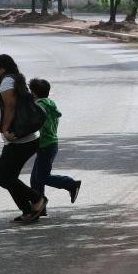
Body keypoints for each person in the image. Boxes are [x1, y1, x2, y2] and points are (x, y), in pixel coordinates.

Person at [0, 54, 48, 224]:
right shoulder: (15, 79)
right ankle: (29, 211)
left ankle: (37, 200)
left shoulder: (8, 81)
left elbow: (10, 106)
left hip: (20, 140)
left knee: (1, 176)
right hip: (24, 139)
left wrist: (6, 128)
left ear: (3, 68)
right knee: (9, 177)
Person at [28, 78, 81, 216]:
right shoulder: (50, 102)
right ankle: (39, 208)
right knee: (35, 179)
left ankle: (70, 184)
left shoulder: (39, 106)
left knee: (42, 177)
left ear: (34, 93)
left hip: (45, 145)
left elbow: (34, 122)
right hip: (50, 144)